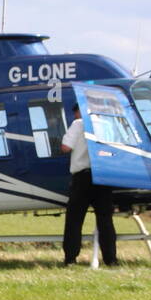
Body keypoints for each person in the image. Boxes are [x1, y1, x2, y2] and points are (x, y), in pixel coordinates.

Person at [59, 105, 118, 266]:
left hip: (83, 178)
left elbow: (66, 148)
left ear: (79, 111)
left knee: (75, 219)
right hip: (104, 177)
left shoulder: (78, 123)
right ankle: (111, 259)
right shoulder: (105, 124)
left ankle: (70, 258)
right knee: (105, 220)